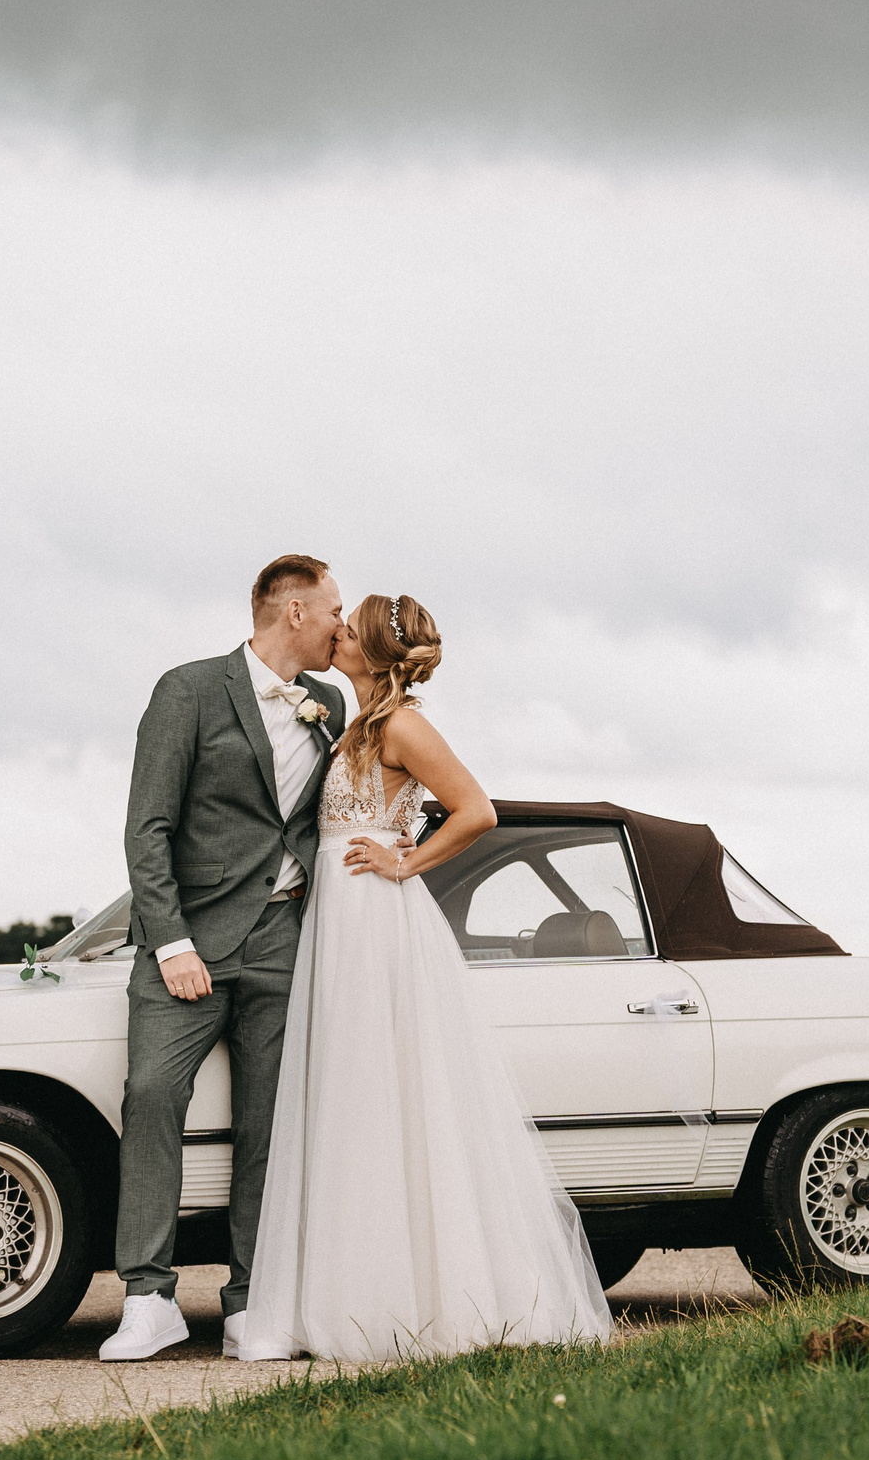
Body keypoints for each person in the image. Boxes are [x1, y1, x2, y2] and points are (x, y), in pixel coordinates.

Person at [237, 593, 613, 1361]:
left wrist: (406, 859)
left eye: (348, 629)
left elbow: (476, 810)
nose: (336, 634)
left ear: (372, 652)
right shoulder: (353, 718)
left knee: (387, 1097)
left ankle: (408, 1304)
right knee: (347, 1101)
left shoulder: (403, 723)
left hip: (379, 924)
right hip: (338, 924)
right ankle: (350, 1292)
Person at [101, 554, 351, 1362]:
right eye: (334, 611)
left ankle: (251, 1301)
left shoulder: (330, 701)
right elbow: (148, 828)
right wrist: (171, 941)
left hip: (285, 936)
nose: (341, 626)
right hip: (190, 943)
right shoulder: (189, 690)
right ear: (294, 612)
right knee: (150, 1098)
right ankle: (147, 1296)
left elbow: (323, 812)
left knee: (269, 1122)